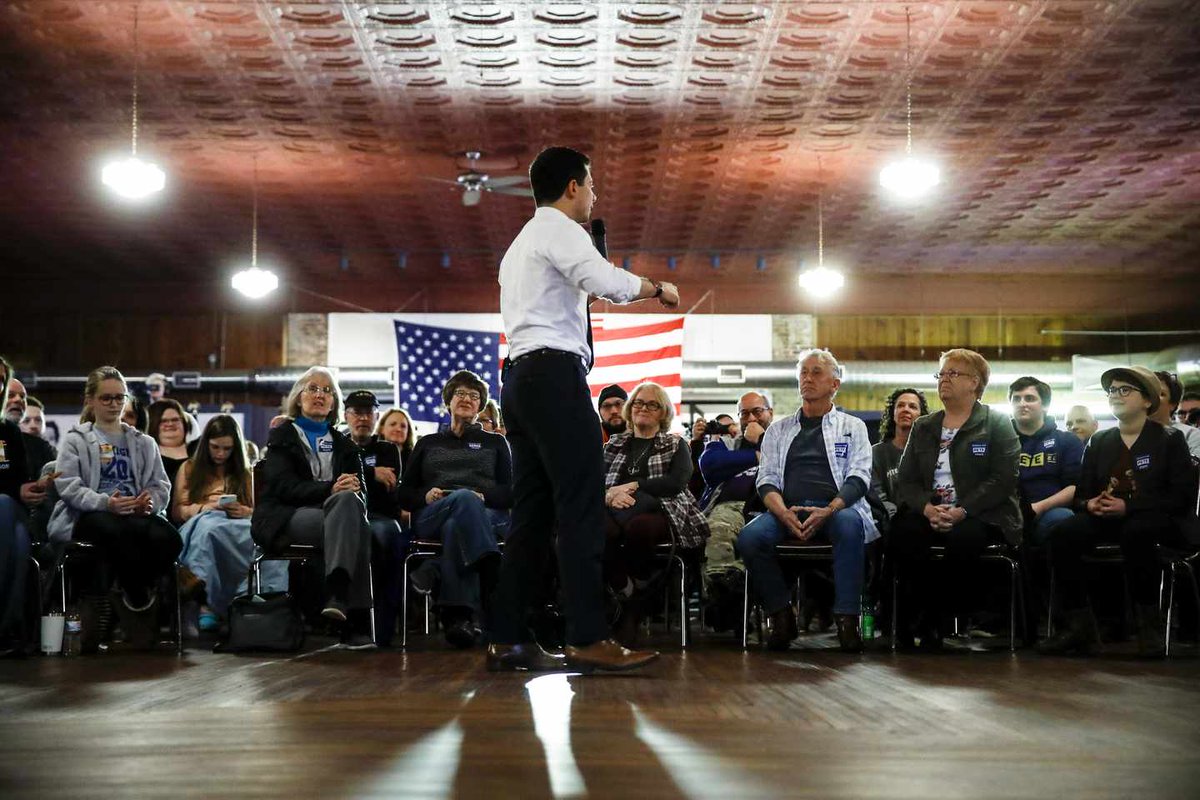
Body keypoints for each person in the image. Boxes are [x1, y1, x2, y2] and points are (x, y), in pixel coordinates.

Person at [490, 145, 680, 673]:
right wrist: (657, 289)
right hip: (555, 377)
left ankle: (507, 637)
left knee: (532, 514)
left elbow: (561, 297)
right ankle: (587, 637)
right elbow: (608, 282)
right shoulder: (561, 229)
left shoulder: (520, 245)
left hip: (520, 380)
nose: (594, 196)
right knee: (580, 508)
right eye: (591, 186)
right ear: (572, 186)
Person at [1039, 367, 1197, 658]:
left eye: (1125, 390)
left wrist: (1129, 506)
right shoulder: (1100, 441)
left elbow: (1181, 497)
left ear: (1147, 400)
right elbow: (1082, 492)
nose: (1116, 395)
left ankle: (1148, 627)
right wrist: (1089, 504)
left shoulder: (1169, 439)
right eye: (1112, 390)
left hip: (1158, 519)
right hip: (1107, 517)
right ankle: (1078, 624)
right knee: (1063, 533)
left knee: (1137, 532)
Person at [737, 349, 879, 652]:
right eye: (803, 372)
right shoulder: (778, 430)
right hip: (787, 509)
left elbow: (859, 477)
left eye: (816, 372)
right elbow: (766, 479)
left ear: (835, 384)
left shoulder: (853, 427)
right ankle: (781, 614)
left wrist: (829, 509)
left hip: (836, 509)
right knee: (749, 537)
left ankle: (847, 619)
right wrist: (782, 513)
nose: (807, 378)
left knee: (850, 526)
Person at [891, 349, 1022, 650]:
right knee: (902, 532)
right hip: (931, 510)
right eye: (941, 374)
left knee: (965, 538)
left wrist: (962, 510)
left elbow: (1003, 480)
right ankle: (906, 619)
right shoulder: (924, 426)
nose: (944, 380)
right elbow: (906, 480)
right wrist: (927, 508)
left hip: (982, 514)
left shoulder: (997, 423)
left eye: (953, 373)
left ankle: (938, 620)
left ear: (974, 383)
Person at [47, 366, 180, 651]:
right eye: (106, 398)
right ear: (90, 400)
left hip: (135, 513)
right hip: (89, 515)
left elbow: (160, 486)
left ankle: (128, 592)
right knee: (113, 529)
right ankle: (138, 597)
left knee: (170, 538)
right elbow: (68, 487)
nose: (114, 404)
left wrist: (149, 503)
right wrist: (106, 503)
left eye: (119, 398)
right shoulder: (74, 440)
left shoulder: (145, 443)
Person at [250, 367, 376, 649]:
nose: (320, 395)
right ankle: (355, 617)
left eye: (327, 391)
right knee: (354, 522)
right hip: (288, 517)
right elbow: (283, 488)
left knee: (350, 506)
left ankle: (339, 595)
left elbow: (362, 495)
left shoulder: (345, 444)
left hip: (337, 517)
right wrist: (330, 489)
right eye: (313, 388)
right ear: (298, 397)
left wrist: (350, 490)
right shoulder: (283, 436)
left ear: (333, 403)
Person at [398, 371, 511, 649]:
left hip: (486, 514)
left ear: (480, 405)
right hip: (433, 513)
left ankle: (458, 618)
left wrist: (483, 496)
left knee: (455, 526)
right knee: (460, 504)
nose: (467, 399)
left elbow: (510, 492)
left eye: (474, 396)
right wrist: (425, 496)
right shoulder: (427, 443)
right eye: (460, 393)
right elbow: (404, 495)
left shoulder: (496, 443)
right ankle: (489, 565)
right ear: (448, 401)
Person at [602, 381, 708, 646]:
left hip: (663, 508)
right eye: (638, 403)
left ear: (663, 413)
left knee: (639, 528)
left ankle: (633, 598)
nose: (643, 408)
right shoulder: (613, 444)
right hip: (612, 506)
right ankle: (625, 587)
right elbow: (594, 481)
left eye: (652, 404)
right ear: (630, 409)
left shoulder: (675, 444)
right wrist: (611, 494)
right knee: (598, 529)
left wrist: (634, 486)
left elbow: (675, 483)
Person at [174, 415, 286, 631]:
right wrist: (205, 507)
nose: (221, 454)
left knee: (265, 539)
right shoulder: (189, 468)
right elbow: (178, 511)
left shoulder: (245, 473)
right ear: (206, 444)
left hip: (237, 523)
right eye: (215, 447)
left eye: (227, 449)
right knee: (208, 531)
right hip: (203, 520)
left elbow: (258, 510)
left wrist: (244, 511)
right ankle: (206, 601)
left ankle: (258, 598)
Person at [343, 390, 404, 646]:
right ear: (346, 416)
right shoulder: (339, 446)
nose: (363, 418)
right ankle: (352, 620)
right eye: (357, 413)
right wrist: (371, 473)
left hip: (381, 517)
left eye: (368, 413)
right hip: (347, 517)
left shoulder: (388, 449)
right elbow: (339, 480)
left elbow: (387, 489)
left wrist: (360, 476)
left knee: (385, 535)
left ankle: (382, 624)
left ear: (376, 416)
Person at [698, 391, 774, 582]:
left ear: (770, 413)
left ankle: (741, 582)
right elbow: (709, 464)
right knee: (718, 526)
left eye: (757, 411)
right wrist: (755, 456)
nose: (751, 419)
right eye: (744, 413)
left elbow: (791, 466)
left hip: (769, 508)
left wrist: (763, 439)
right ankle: (725, 585)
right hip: (727, 507)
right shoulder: (729, 443)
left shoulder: (784, 440)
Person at [1009, 377, 1084, 545]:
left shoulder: (1067, 441)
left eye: (1029, 398)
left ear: (1045, 405)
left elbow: (1074, 487)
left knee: (1064, 520)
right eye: (1016, 399)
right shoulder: (1000, 442)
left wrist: (1036, 508)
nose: (1022, 403)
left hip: (1050, 512)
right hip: (1008, 513)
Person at [872, 388, 928, 521]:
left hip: (924, 518)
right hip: (890, 520)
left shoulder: (930, 452)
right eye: (900, 405)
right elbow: (876, 494)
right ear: (893, 413)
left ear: (922, 415)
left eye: (912, 406)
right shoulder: (876, 453)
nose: (906, 409)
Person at [1151, 371, 1200, 461]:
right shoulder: (1127, 435)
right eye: (1149, 392)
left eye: (1161, 394)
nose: (1153, 397)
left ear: (1173, 404)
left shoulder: (1190, 434)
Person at [148, 399, 193, 494]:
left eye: (175, 420)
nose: (170, 424)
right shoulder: (144, 456)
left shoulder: (199, 450)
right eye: (163, 421)